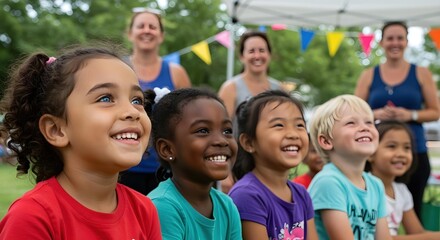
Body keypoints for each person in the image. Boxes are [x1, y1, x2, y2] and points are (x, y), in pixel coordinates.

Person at [0, 46, 162, 239]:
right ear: (56, 130)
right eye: (106, 98)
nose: (133, 112)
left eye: (137, 100)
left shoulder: (144, 209)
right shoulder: (33, 217)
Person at [354, 21, 440, 219]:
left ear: (407, 42)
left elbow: (435, 112)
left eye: (400, 38)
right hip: (377, 153)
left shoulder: (421, 73)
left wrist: (410, 115)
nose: (395, 43)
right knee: (374, 210)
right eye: (390, 38)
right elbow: (355, 110)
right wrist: (375, 114)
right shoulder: (369, 75)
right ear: (381, 42)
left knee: (414, 210)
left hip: (414, 152)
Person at [147, 88, 242, 239]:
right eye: (203, 130)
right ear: (167, 149)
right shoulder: (163, 206)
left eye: (227, 131)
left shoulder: (227, 205)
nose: (221, 141)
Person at [228, 90, 318, 240]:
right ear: (249, 143)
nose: (293, 134)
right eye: (279, 125)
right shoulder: (247, 196)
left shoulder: (302, 194)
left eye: (299, 125)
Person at [121, 8, 191, 195]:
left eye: (152, 27)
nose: (147, 30)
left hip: (164, 166)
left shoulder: (176, 73)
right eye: (141, 26)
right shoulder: (117, 67)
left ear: (161, 35)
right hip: (123, 165)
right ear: (130, 33)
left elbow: (188, 119)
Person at [308, 94, 391, 240]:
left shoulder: (375, 185)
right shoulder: (328, 182)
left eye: (369, 122)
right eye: (351, 123)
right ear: (326, 141)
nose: (364, 128)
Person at [218, 30, 284, 193]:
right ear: (242, 56)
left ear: (269, 54)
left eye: (262, 50)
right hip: (238, 165)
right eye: (251, 51)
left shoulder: (279, 89)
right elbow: (219, 130)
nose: (257, 56)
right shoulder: (231, 88)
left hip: (271, 165)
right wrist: (225, 170)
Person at [367, 120, 440, 239]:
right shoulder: (364, 187)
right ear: (370, 153)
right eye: (392, 146)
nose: (401, 154)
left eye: (407, 148)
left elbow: (417, 233)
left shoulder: (401, 190)